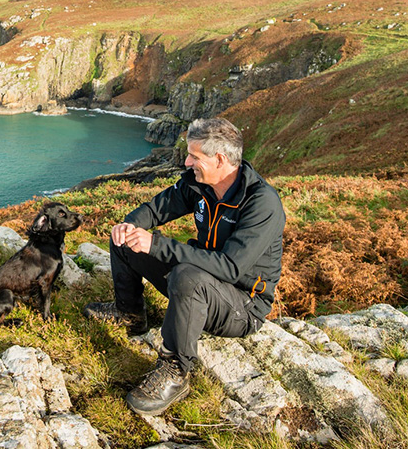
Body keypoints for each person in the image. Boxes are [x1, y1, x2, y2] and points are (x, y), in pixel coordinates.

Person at [83, 117, 285, 415]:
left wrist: (156, 245)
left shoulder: (262, 203)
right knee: (125, 239)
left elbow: (230, 267)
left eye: (194, 156)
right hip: (198, 282)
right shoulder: (199, 183)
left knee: (187, 275)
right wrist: (129, 225)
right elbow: (158, 208)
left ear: (219, 159)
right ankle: (129, 314)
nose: (187, 161)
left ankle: (175, 370)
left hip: (242, 305)